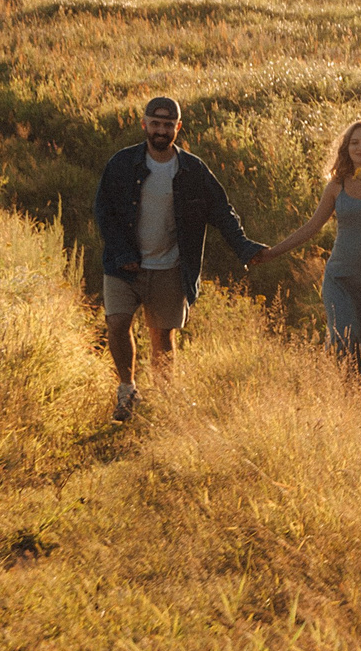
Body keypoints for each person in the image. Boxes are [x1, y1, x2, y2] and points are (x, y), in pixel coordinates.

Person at [93, 95, 268, 422]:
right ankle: (127, 390)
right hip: (124, 265)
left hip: (170, 266)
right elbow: (104, 211)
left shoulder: (193, 170)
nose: (161, 130)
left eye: (168, 125)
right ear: (144, 124)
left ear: (178, 127)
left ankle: (164, 401)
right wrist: (122, 252)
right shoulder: (122, 163)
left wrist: (244, 247)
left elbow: (222, 212)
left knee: (163, 337)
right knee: (117, 323)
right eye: (155, 124)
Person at [254, 118, 361, 376]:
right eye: (355, 143)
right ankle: (336, 386)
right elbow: (311, 227)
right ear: (346, 148)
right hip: (341, 278)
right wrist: (272, 253)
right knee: (345, 338)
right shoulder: (337, 186)